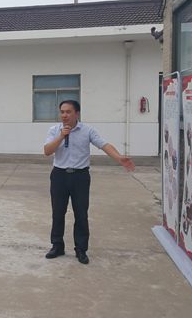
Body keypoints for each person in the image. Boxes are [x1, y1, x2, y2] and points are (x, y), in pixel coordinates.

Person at [43, 100, 135, 265]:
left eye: (68, 112)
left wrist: (118, 157)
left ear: (77, 114)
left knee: (81, 213)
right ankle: (57, 246)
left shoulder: (87, 130)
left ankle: (81, 249)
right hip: (59, 176)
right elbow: (47, 151)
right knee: (58, 213)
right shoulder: (54, 130)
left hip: (80, 177)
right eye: (62, 112)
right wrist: (62, 136)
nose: (64, 115)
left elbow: (104, 145)